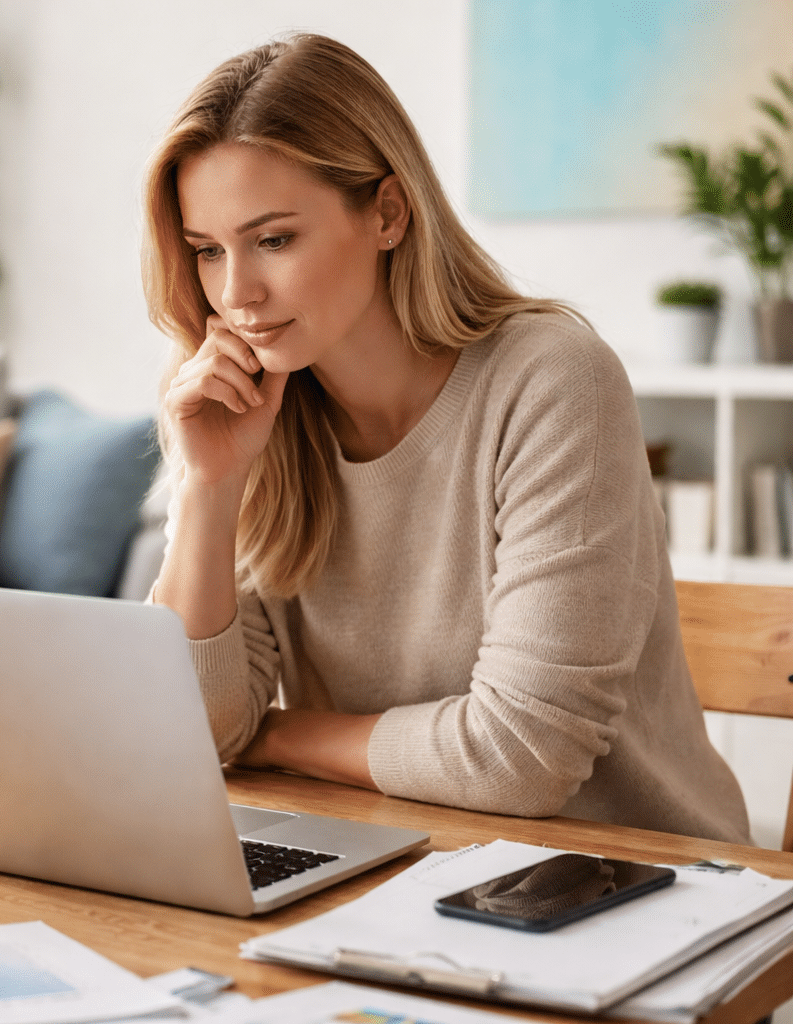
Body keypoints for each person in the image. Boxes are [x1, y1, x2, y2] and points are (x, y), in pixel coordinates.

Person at [145, 35, 749, 842]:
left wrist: (279, 736)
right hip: (393, 858)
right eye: (207, 251)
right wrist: (209, 489)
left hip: (630, 879)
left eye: (275, 239)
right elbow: (196, 734)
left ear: (388, 213)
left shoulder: (553, 382)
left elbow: (522, 756)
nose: (236, 292)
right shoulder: (241, 410)